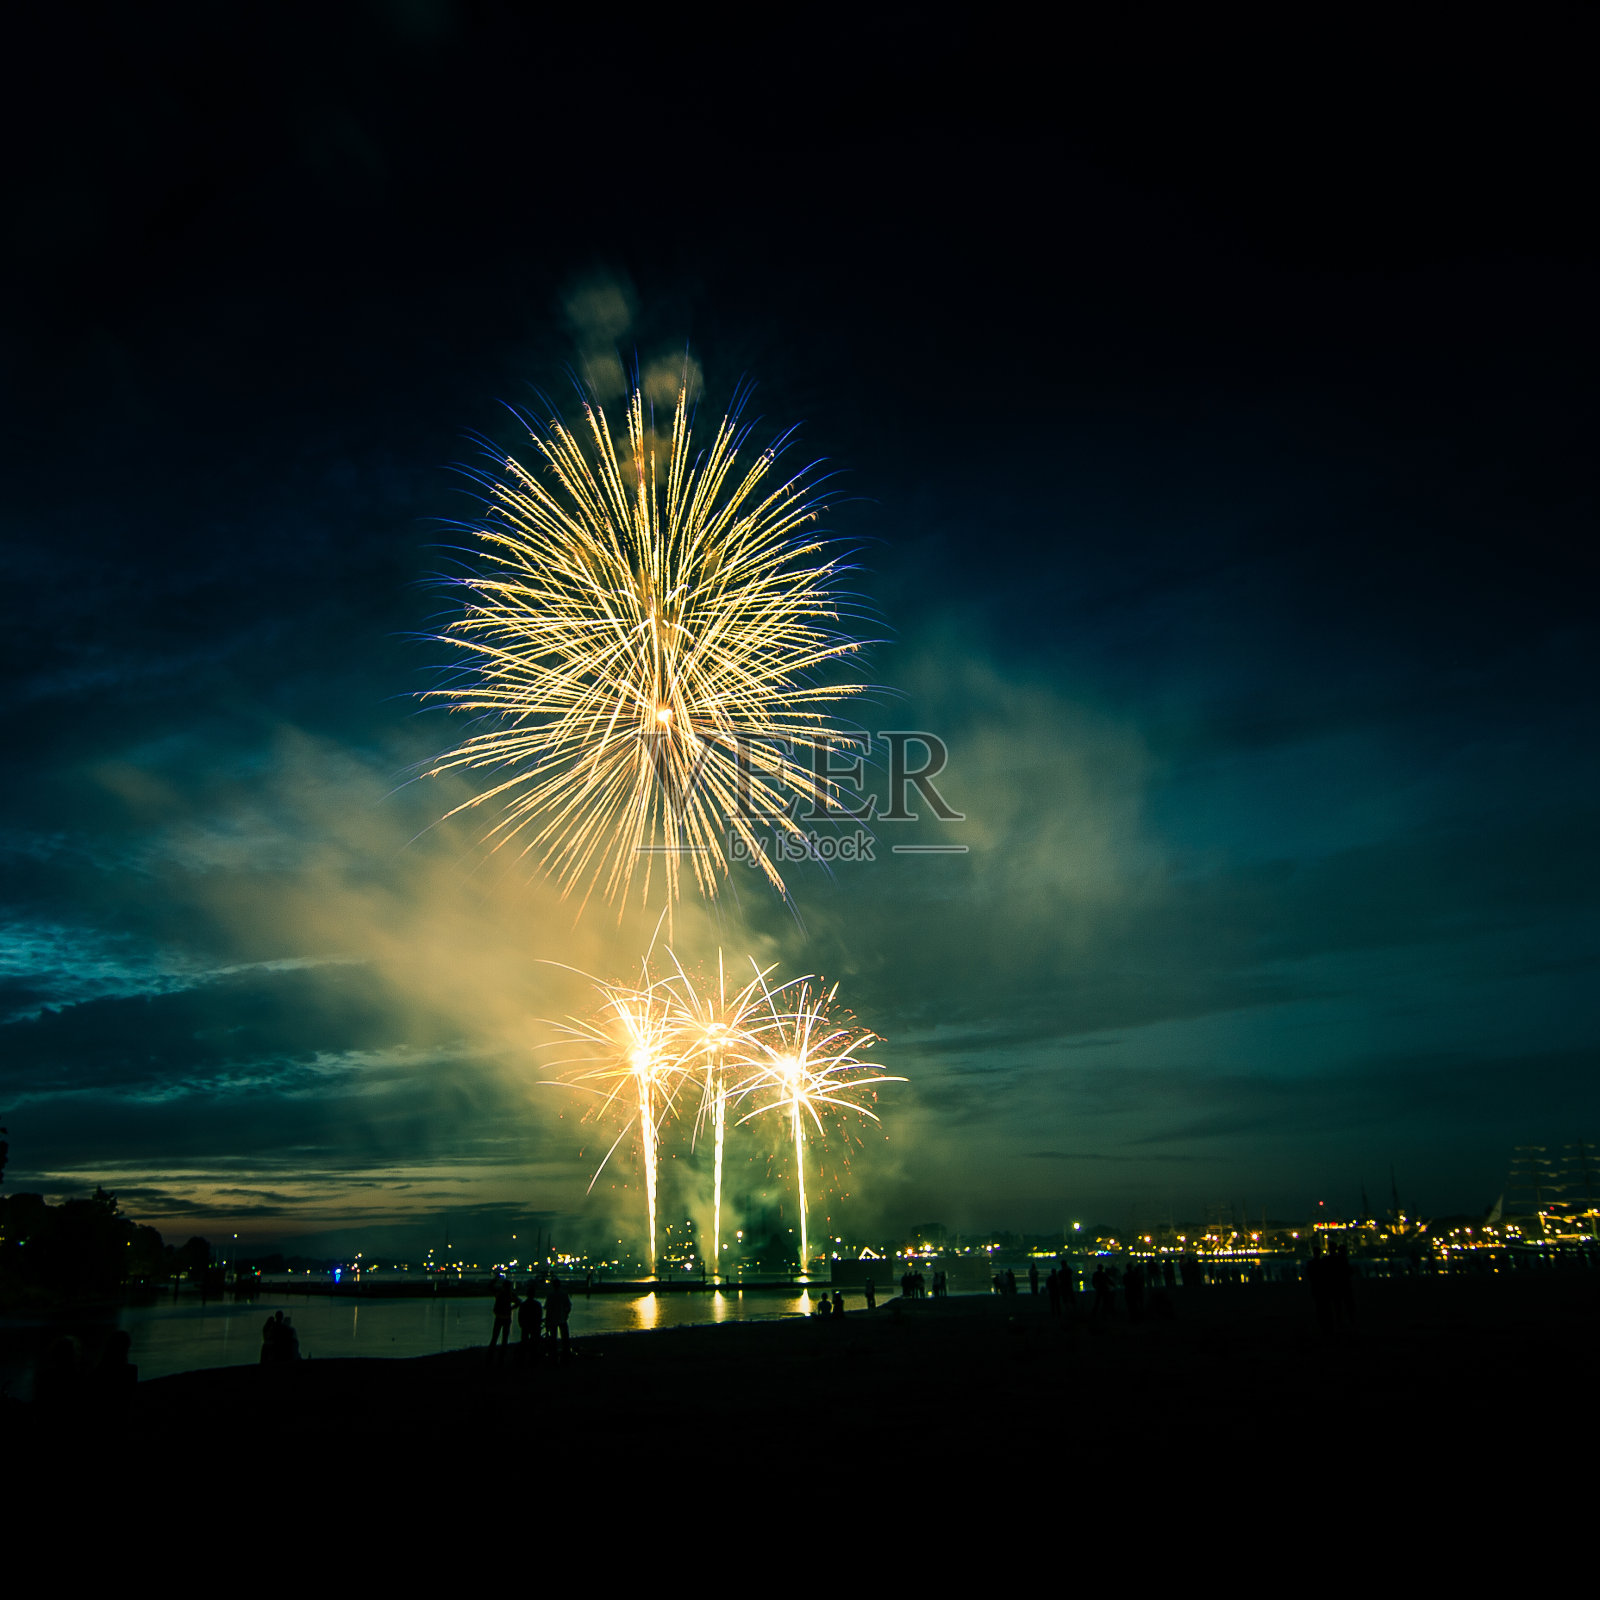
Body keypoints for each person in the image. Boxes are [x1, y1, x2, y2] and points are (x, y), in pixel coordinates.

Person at [489, 1274, 518, 1352]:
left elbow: (490, 1287)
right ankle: (503, 1351)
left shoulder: (499, 1293)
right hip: (507, 1317)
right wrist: (511, 1308)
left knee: (495, 1336)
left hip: (499, 1317)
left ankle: (491, 1351)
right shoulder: (510, 1294)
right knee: (505, 1337)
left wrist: (495, 1279)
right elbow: (518, 1302)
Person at [544, 1272, 572, 1354]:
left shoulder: (550, 1295)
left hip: (553, 1319)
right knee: (565, 1336)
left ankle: (554, 1351)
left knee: (553, 1336)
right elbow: (568, 1306)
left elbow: (548, 1308)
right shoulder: (564, 1294)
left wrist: (547, 1320)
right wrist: (566, 1314)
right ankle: (565, 1350)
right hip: (562, 1318)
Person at [518, 1286, 544, 1355]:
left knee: (524, 1341)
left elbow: (520, 1316)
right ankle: (533, 1355)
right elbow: (540, 1315)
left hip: (525, 1325)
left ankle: (524, 1354)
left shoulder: (523, 1304)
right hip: (535, 1325)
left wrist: (521, 1324)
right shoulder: (537, 1304)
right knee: (534, 1342)